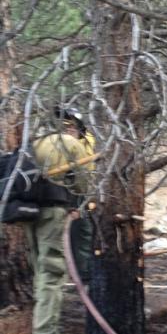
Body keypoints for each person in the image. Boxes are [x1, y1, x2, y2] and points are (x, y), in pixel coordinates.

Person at [26, 110, 92, 334]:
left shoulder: (35, 142)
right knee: (52, 272)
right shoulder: (72, 144)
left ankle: (37, 320)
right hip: (53, 212)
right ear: (74, 127)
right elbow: (82, 184)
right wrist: (78, 206)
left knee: (38, 267)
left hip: (28, 211)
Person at [55, 105, 95, 283]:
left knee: (83, 230)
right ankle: (69, 271)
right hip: (63, 191)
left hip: (82, 191)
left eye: (71, 126)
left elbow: (85, 168)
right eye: (65, 126)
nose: (68, 130)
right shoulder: (59, 143)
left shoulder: (86, 141)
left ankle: (83, 271)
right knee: (66, 231)